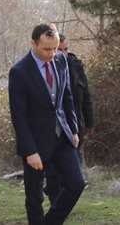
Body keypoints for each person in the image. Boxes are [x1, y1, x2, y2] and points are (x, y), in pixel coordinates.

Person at [9, 23, 85, 225]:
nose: (52, 54)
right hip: (35, 143)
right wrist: (29, 151)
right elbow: (18, 116)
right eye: (46, 49)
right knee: (35, 197)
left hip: (63, 137)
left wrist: (73, 129)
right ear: (33, 44)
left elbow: (67, 96)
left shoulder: (61, 61)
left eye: (55, 48)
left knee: (76, 184)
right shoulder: (19, 72)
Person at [44, 32, 94, 203]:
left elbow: (85, 96)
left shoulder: (75, 66)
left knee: (74, 173)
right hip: (53, 129)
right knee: (53, 173)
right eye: (60, 49)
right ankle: (55, 203)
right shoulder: (46, 69)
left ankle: (63, 204)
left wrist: (89, 123)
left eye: (66, 49)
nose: (63, 53)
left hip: (75, 127)